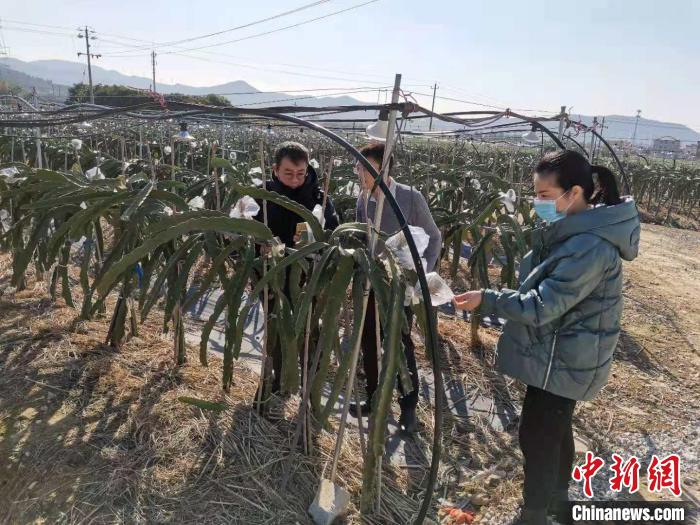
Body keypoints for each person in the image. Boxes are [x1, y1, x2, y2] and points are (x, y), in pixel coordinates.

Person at [453, 150, 640, 525]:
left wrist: (488, 298)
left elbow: (544, 305)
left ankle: (535, 514)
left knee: (537, 434)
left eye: (543, 194)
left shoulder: (590, 245)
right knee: (553, 427)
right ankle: (556, 502)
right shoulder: (580, 230)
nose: (537, 202)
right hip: (563, 352)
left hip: (566, 356)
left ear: (573, 193)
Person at [353, 142, 442, 433]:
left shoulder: (409, 197)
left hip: (402, 285)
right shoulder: (362, 198)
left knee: (400, 344)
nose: (359, 172)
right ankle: (374, 399)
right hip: (371, 281)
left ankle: (408, 408)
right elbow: (360, 237)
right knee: (369, 342)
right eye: (358, 166)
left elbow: (434, 237)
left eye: (365, 168)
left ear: (384, 169)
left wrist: (421, 273)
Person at [253, 141, 339, 396]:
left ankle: (309, 385)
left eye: (300, 174)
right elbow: (241, 231)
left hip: (308, 277)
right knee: (275, 326)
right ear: (275, 169)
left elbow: (332, 233)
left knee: (310, 328)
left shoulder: (318, 198)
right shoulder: (261, 195)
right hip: (270, 276)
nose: (294, 180)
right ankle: (277, 381)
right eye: (288, 173)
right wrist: (257, 247)